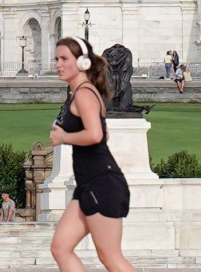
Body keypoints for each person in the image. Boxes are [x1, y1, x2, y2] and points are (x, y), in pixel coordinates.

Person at [48, 36, 138, 272]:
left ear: (83, 63)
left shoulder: (84, 94)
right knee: (60, 247)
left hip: (102, 183)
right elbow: (102, 135)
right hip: (88, 184)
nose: (58, 64)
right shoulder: (81, 93)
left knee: (110, 257)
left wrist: (63, 137)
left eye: (64, 59)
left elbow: (96, 135)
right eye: (57, 59)